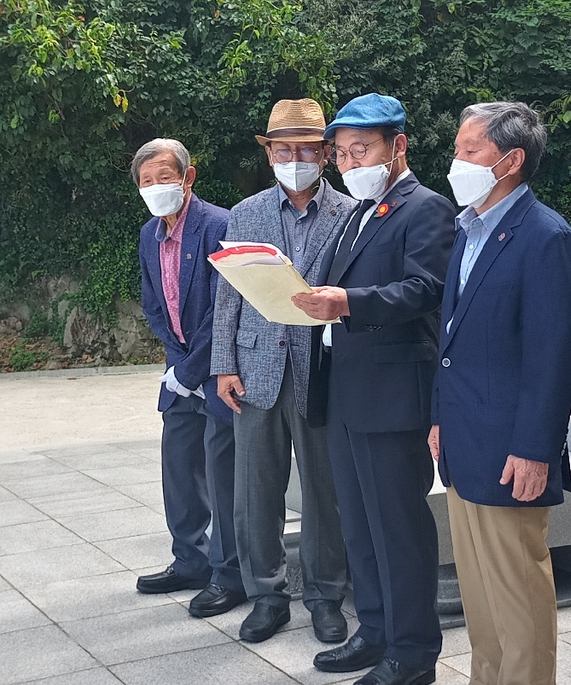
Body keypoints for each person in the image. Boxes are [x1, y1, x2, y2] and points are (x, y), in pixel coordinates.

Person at [291, 93, 455, 685]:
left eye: (362, 149)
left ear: (398, 147)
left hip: (391, 396)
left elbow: (427, 289)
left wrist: (347, 302)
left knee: (398, 529)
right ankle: (376, 632)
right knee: (358, 525)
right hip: (343, 391)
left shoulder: (425, 208)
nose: (348, 162)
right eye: (340, 153)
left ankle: (412, 656)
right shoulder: (354, 214)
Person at [428, 101, 571, 685]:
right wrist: (439, 415)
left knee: (518, 595)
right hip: (464, 441)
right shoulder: (467, 229)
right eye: (458, 148)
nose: (457, 161)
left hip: (510, 450)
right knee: (480, 599)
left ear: (511, 160)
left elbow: (553, 358)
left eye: (470, 150)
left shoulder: (547, 239)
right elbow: (453, 341)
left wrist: (535, 449)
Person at [210, 98, 354, 644]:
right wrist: (223, 363)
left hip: (322, 370)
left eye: (307, 149)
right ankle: (267, 595)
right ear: (269, 153)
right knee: (255, 492)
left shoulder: (350, 213)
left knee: (325, 491)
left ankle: (324, 596)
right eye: (283, 149)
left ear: (324, 154)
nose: (294, 158)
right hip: (255, 368)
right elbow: (229, 297)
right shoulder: (244, 213)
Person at [133, 138, 246, 619]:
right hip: (179, 369)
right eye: (147, 181)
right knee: (179, 470)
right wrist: (177, 366)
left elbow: (225, 308)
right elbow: (154, 302)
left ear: (188, 177)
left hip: (218, 368)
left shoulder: (219, 225)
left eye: (165, 176)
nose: (157, 187)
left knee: (224, 476)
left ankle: (229, 574)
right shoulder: (148, 234)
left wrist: (193, 367)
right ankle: (189, 560)